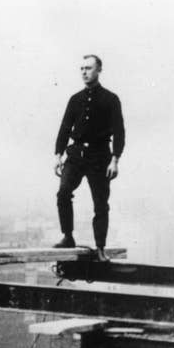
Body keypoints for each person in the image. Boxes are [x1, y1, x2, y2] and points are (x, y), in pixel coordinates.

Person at [52, 54, 125, 261]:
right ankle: (68, 236)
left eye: (89, 68)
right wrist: (58, 155)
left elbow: (119, 132)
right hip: (75, 155)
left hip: (99, 157)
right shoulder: (75, 100)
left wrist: (115, 159)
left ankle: (100, 248)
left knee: (100, 204)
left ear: (99, 70)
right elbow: (65, 129)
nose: (84, 72)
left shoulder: (111, 99)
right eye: (82, 68)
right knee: (63, 193)